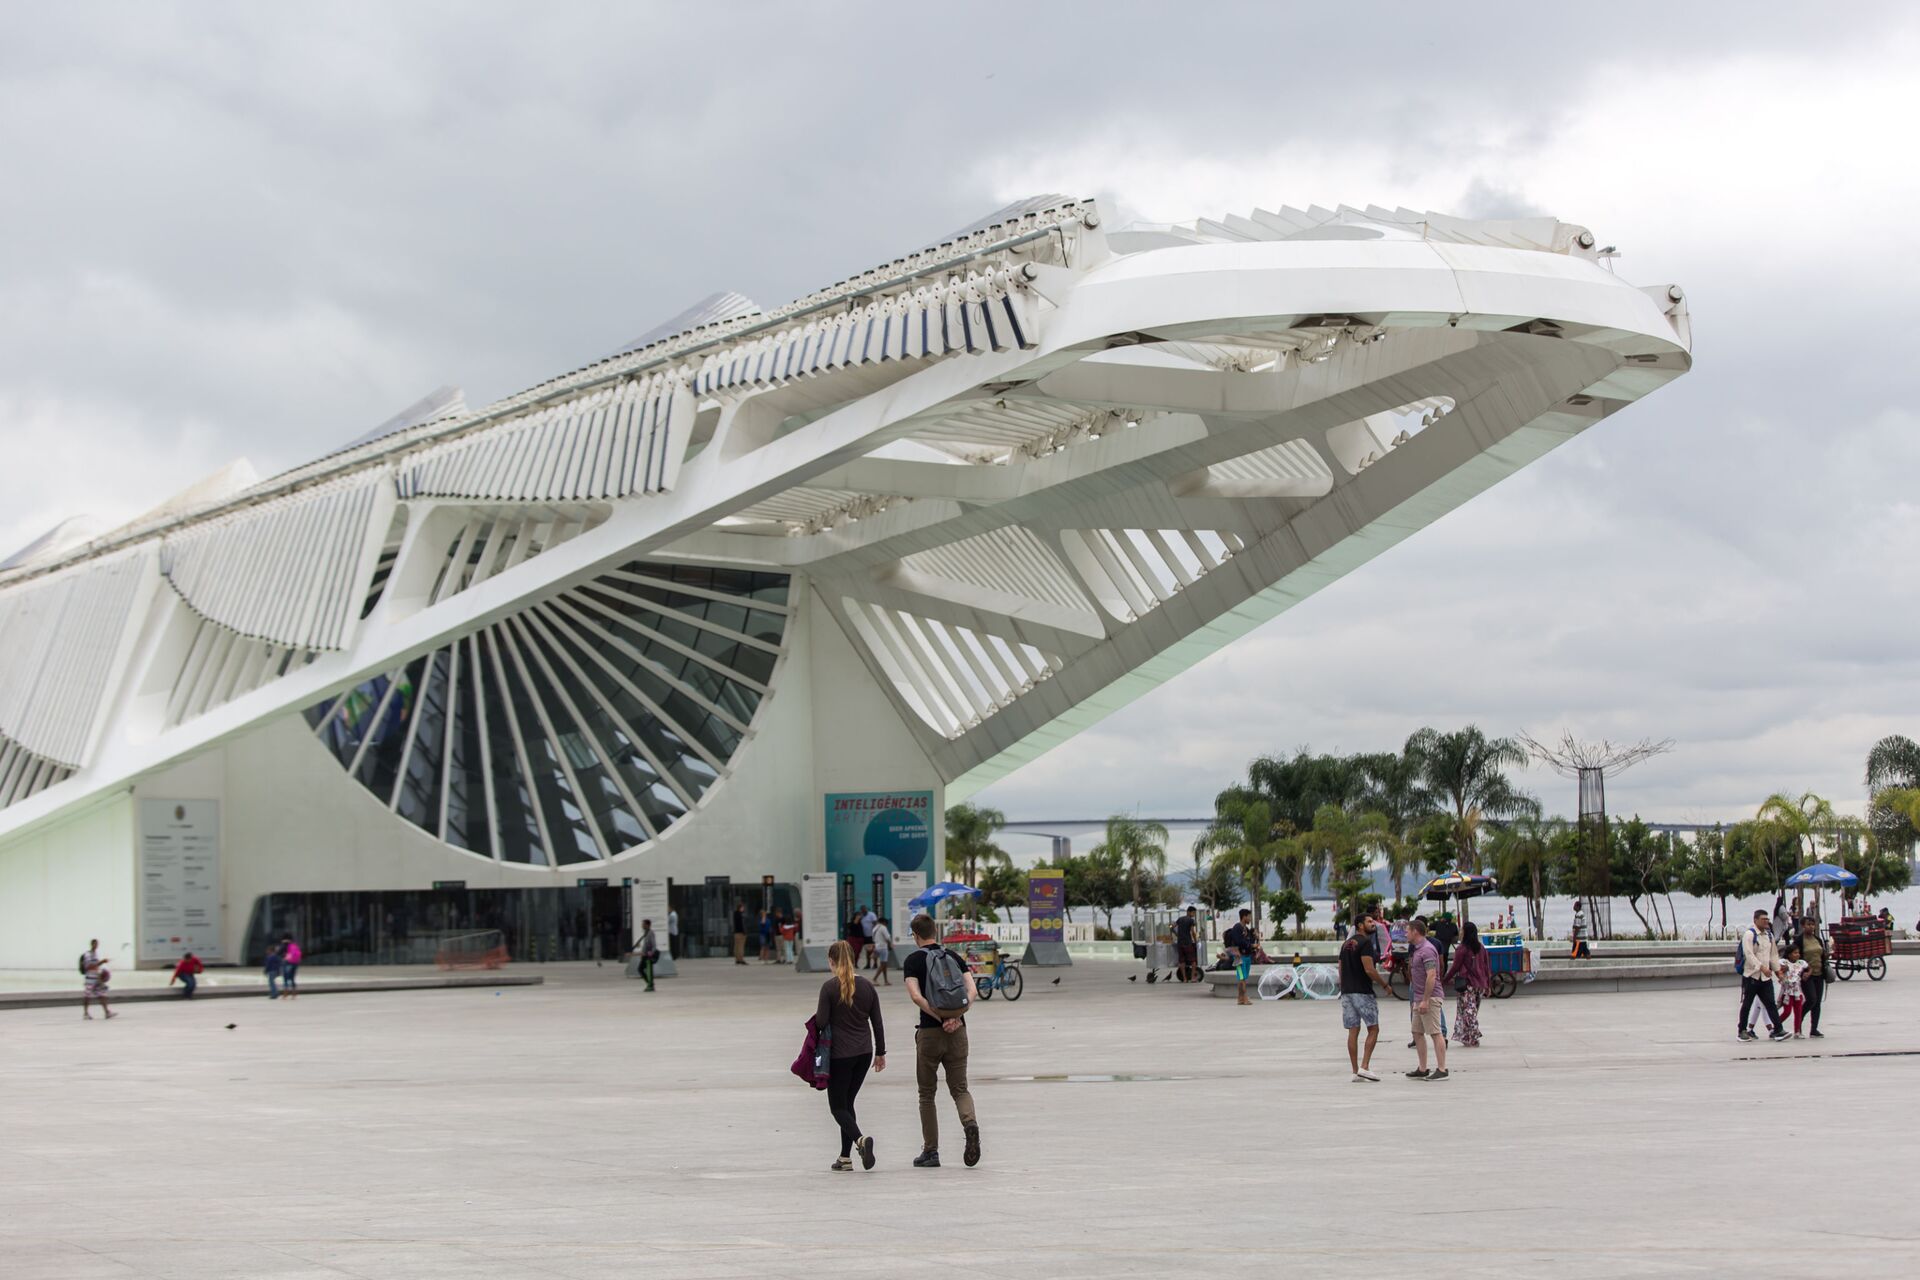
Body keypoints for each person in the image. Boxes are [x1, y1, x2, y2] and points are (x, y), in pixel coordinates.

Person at [902, 913, 981, 1168]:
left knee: (927, 1094)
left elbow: (915, 996)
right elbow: (973, 992)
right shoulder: (954, 957)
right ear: (934, 932)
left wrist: (938, 1017)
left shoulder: (913, 961)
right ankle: (970, 1125)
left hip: (930, 1034)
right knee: (960, 1088)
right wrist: (955, 1017)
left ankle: (931, 1151)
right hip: (958, 1032)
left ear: (916, 935)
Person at [815, 940, 887, 1171]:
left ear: (832, 961)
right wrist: (881, 1052)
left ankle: (860, 1140)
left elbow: (821, 1022)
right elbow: (877, 1021)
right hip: (864, 1054)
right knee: (848, 1103)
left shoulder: (829, 988)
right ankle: (845, 1158)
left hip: (840, 1055)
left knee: (837, 1107)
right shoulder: (867, 986)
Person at [1339, 913, 1390, 1081]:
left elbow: (1340, 968)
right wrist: (1384, 985)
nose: (1373, 924)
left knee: (1353, 1030)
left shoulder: (1346, 944)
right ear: (1360, 925)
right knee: (1373, 1028)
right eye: (1369, 922)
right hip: (1363, 991)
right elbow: (1369, 969)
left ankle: (1355, 1072)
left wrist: (1344, 986)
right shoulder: (1365, 943)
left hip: (1347, 992)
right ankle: (1365, 1066)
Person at [1405, 917, 1447, 1080]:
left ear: (1415, 931)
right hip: (1418, 997)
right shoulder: (1417, 949)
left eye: (1408, 930)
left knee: (1435, 1032)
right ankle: (1423, 1068)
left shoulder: (1427, 950)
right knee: (1417, 1031)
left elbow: (1431, 976)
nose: (1406, 934)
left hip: (1430, 997)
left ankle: (1442, 1069)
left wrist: (1425, 1000)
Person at [1738, 908, 1788, 1043]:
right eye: (1763, 919)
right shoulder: (1749, 934)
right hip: (1752, 976)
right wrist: (1761, 967)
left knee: (1770, 1004)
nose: (1767, 921)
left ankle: (1778, 1030)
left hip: (1765, 977)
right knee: (1747, 1004)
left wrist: (1778, 971)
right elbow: (1748, 954)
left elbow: (1773, 955)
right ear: (1755, 920)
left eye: (1767, 919)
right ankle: (1742, 1030)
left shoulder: (1769, 935)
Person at [1445, 922, 1491, 1048]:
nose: (1460, 932)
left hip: (1467, 984)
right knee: (1472, 1011)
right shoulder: (1481, 947)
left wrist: (1444, 980)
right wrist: (1488, 985)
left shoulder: (1462, 949)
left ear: (1465, 932)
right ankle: (1469, 1036)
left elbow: (1455, 967)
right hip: (1479, 985)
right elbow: (1487, 967)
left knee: (1467, 1011)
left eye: (1461, 930)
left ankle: (1473, 1035)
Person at [1222, 908, 1257, 1005]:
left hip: (1246, 956)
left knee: (1243, 978)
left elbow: (1248, 941)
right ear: (1244, 917)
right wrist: (1250, 945)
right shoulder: (1237, 927)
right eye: (1249, 917)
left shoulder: (1246, 929)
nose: (1250, 919)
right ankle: (1245, 998)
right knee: (1242, 978)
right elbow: (1238, 941)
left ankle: (1240, 998)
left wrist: (1254, 939)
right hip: (1239, 957)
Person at [1799, 920, 1828, 1039]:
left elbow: (1822, 955)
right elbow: (1793, 956)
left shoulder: (1818, 939)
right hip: (1807, 975)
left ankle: (1814, 1029)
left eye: (1812, 924)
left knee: (1817, 1003)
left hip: (1819, 974)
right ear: (1802, 926)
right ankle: (1798, 1022)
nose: (1811, 927)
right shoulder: (1799, 941)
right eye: (1808, 925)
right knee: (1811, 999)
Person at [1778, 944, 1809, 1037]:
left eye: (1798, 953)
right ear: (1789, 954)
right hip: (1787, 992)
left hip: (1797, 992)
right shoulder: (1784, 963)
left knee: (1798, 1012)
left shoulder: (1801, 963)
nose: (1798, 954)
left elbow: (1809, 968)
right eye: (1795, 953)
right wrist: (1782, 973)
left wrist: (1807, 974)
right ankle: (1776, 1027)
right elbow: (1778, 970)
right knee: (1787, 1012)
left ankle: (1797, 1031)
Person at [81, 939, 114, 1020]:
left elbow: (96, 967)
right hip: (90, 978)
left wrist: (100, 976)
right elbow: (89, 966)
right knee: (87, 996)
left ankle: (107, 1012)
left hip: (96, 978)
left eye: (97, 944)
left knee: (102, 994)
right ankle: (85, 1013)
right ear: (91, 944)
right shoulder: (88, 954)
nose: (96, 946)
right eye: (95, 944)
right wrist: (101, 962)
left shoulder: (95, 954)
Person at [630, 919, 660, 992]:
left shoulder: (651, 933)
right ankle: (650, 984)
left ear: (648, 925)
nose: (642, 925)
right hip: (645, 955)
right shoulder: (646, 933)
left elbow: (654, 945)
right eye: (642, 924)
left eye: (643, 924)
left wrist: (650, 954)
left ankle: (650, 985)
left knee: (644, 970)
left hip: (648, 956)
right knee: (642, 969)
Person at [1173, 906, 1200, 983]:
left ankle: (1184, 979)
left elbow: (1172, 926)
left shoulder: (1180, 919)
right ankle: (1192, 978)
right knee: (1193, 960)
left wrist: (1177, 934)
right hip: (1188, 943)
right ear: (1189, 912)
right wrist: (1196, 941)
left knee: (1182, 961)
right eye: (1193, 912)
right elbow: (1193, 932)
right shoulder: (1191, 920)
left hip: (1180, 943)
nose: (1194, 914)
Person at [870, 917, 894, 986]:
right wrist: (890, 945)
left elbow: (874, 939)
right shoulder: (883, 927)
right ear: (884, 922)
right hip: (883, 947)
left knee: (884, 965)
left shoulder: (874, 928)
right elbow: (887, 938)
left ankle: (886, 980)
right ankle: (874, 979)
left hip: (877, 947)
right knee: (883, 964)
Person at [860, 904, 879, 969]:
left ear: (866, 909)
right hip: (865, 936)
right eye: (862, 910)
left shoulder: (871, 915)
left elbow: (875, 923)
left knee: (874, 950)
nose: (863, 911)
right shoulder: (862, 916)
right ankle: (868, 964)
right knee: (867, 951)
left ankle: (875, 964)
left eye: (864, 909)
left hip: (872, 936)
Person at [732, 901, 748, 965]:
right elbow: (742, 924)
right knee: (741, 946)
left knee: (736, 946)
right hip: (741, 933)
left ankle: (737, 959)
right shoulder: (740, 915)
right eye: (743, 908)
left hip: (736, 932)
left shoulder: (735, 914)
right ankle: (741, 959)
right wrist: (744, 932)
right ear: (740, 908)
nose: (743, 909)